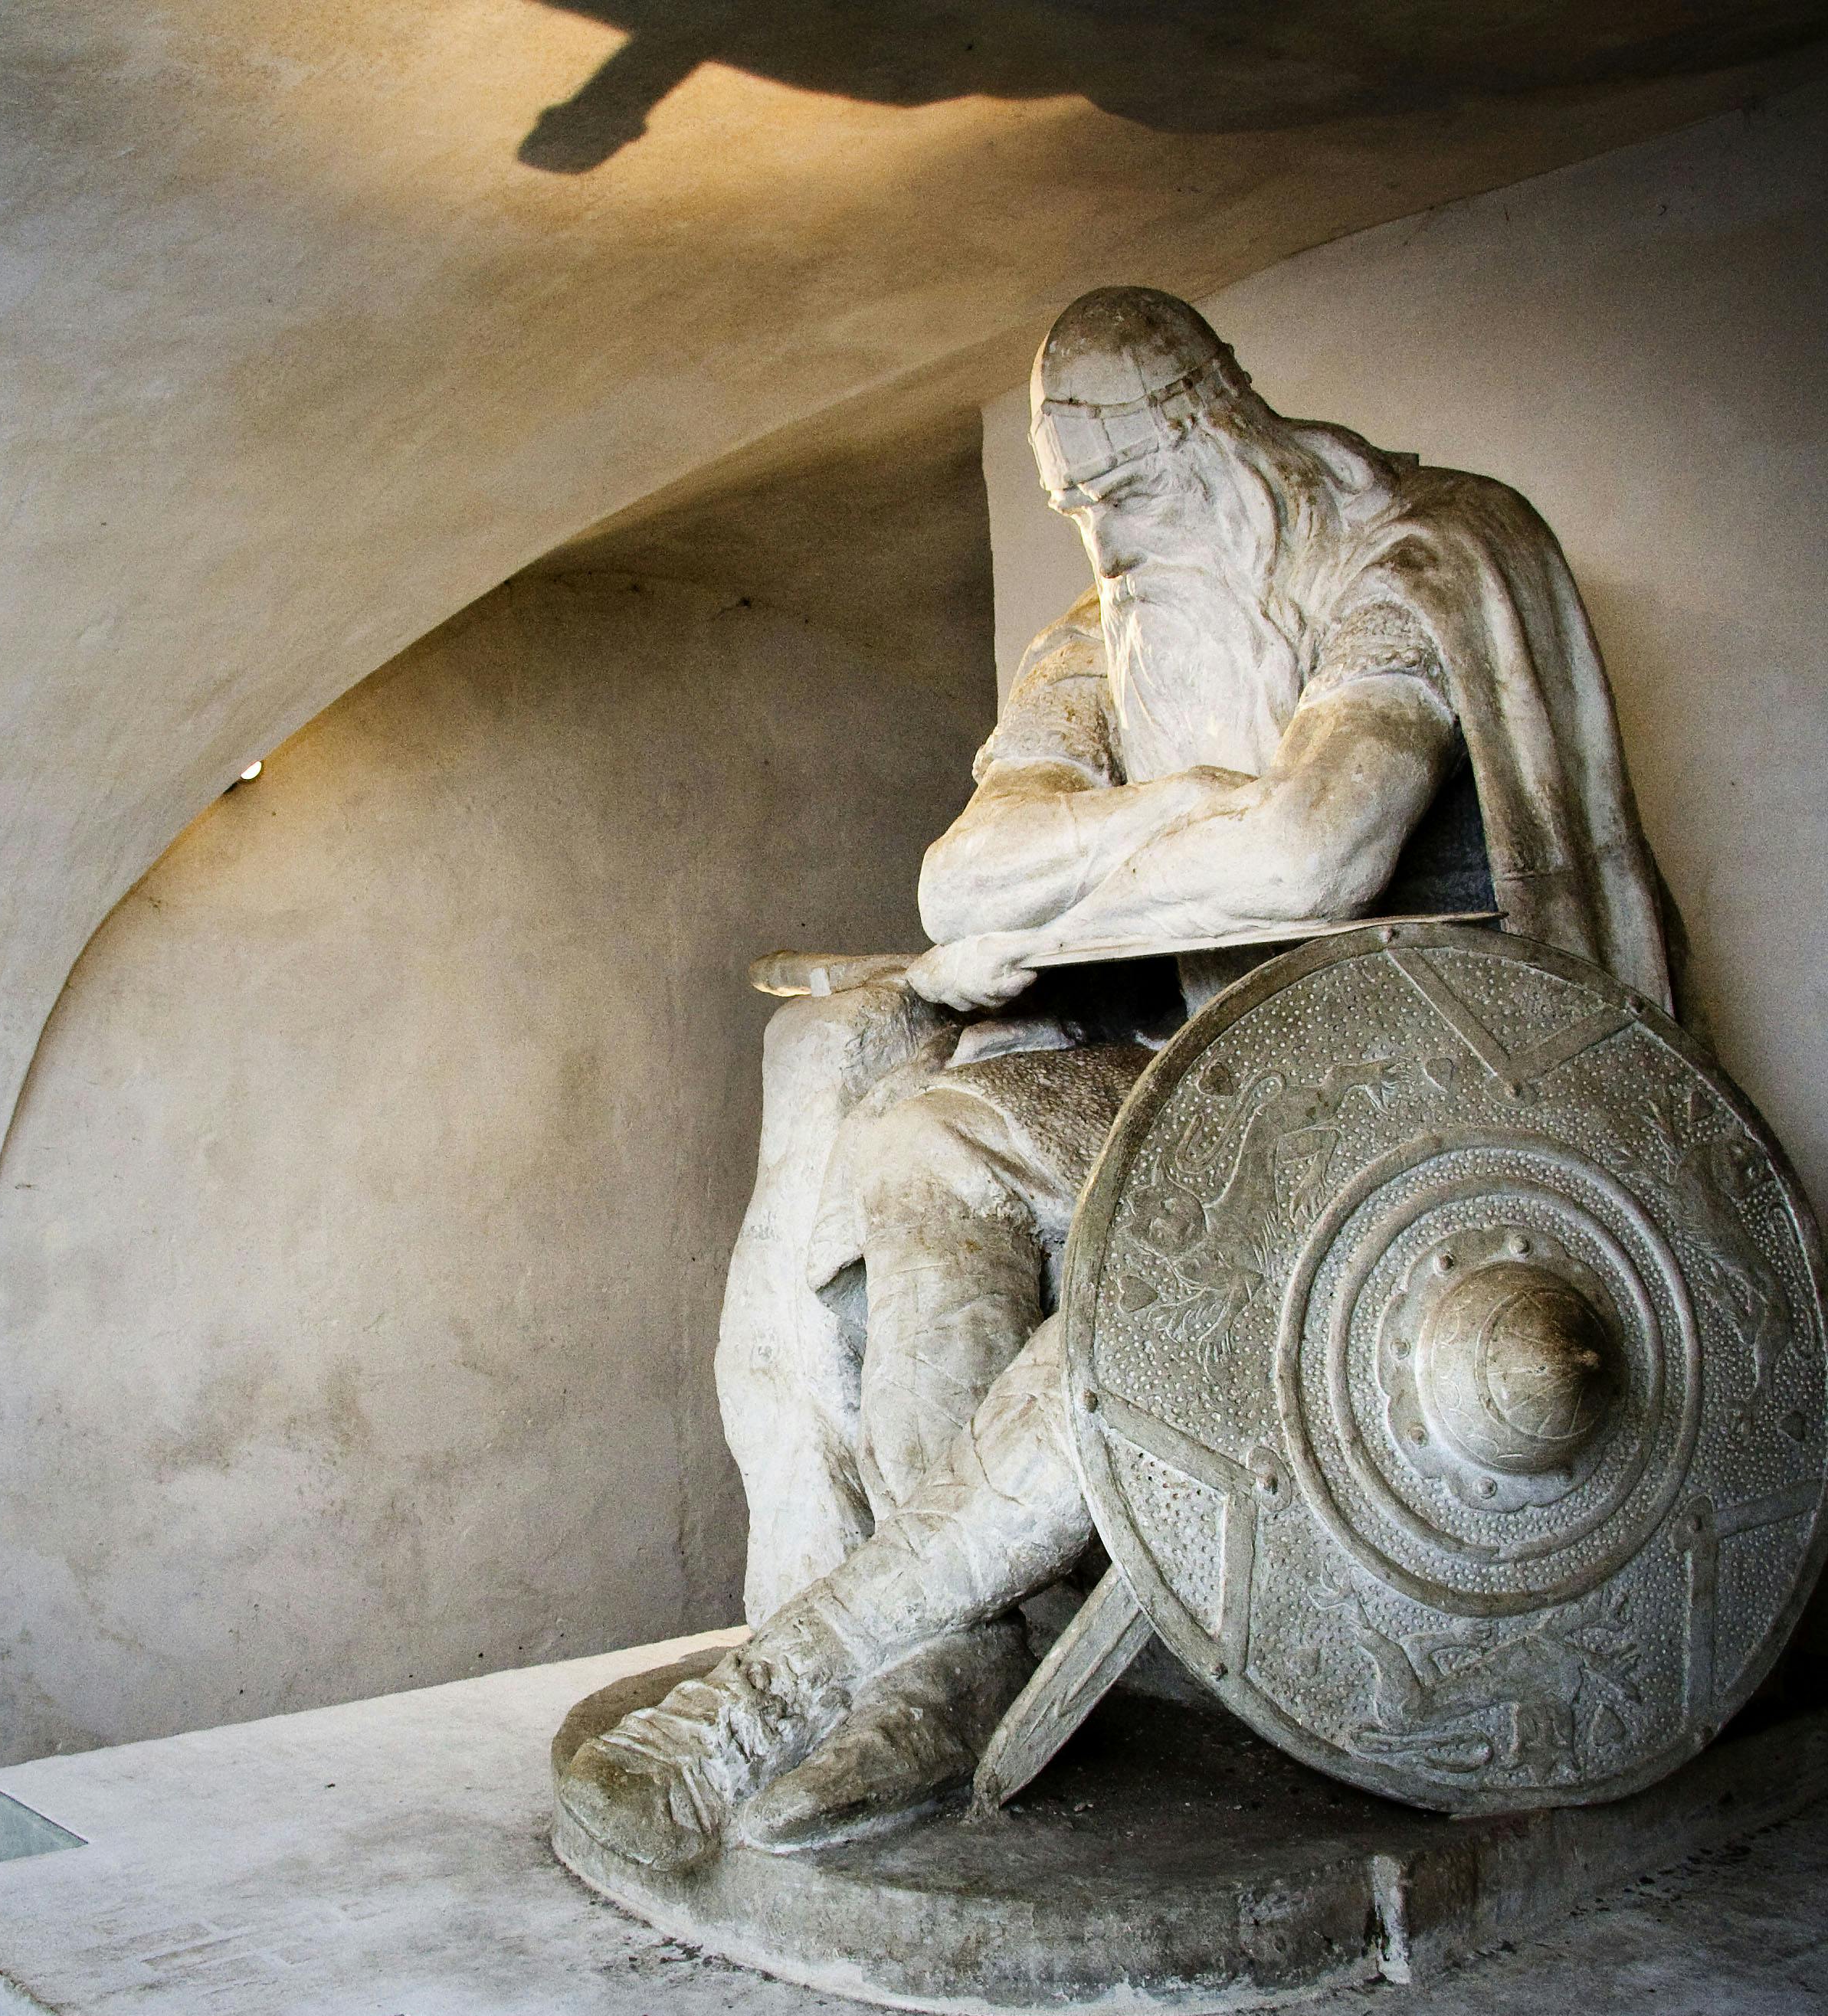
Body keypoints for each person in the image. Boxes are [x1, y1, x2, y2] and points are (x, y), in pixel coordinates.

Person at [566, 286, 1679, 1867]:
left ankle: (778, 1686)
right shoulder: (1104, 632)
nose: (1105, 540)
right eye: (1073, 504)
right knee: (928, 1134)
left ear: (1216, 431)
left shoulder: (1409, 564)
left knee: (1170, 1246)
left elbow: (1319, 847)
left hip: (1434, 1112)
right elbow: (962, 881)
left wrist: (1088, 888)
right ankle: (953, 1664)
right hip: (1207, 1074)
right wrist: (1188, 810)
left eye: (1131, 491)